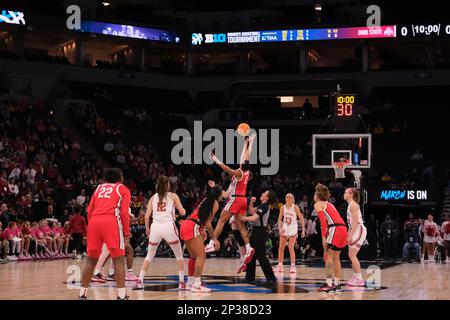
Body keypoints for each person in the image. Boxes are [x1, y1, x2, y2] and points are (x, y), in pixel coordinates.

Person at [78, 168, 131, 300]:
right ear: (119, 177)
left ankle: (82, 294)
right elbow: (124, 213)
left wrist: (92, 227)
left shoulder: (99, 188)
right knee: (118, 259)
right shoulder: (122, 188)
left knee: (91, 260)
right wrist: (126, 232)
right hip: (111, 221)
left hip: (94, 221)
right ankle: (122, 295)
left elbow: (89, 210)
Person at [208, 133, 257, 272]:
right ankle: (247, 251)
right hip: (241, 200)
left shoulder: (240, 173)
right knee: (239, 228)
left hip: (236, 200)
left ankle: (212, 242)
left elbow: (230, 168)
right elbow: (224, 195)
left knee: (221, 221)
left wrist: (216, 159)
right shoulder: (244, 174)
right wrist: (248, 142)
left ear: (242, 165)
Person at [138, 175, 186, 289]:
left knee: (149, 255)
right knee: (179, 256)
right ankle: (181, 282)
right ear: (168, 185)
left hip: (155, 227)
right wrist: (176, 212)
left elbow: (146, 217)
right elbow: (183, 212)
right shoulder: (173, 196)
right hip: (168, 226)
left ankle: (140, 279)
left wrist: (147, 229)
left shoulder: (153, 197)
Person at [179, 183, 222, 293]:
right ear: (219, 195)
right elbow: (207, 222)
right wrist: (214, 238)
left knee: (193, 256)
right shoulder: (215, 203)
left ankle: (190, 282)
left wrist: (201, 230)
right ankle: (197, 284)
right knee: (201, 256)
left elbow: (200, 217)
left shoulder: (206, 200)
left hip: (186, 224)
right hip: (192, 226)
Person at [313, 183, 348, 293]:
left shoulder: (318, 204)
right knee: (336, 257)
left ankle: (328, 284)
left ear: (317, 195)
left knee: (328, 256)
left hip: (335, 229)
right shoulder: (330, 204)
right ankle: (337, 284)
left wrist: (323, 236)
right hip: (343, 228)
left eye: (315, 193)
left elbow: (323, 221)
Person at [240, 190, 278, 284]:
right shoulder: (262, 205)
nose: (262, 194)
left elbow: (253, 218)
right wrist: (252, 203)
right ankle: (249, 276)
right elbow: (252, 212)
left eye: (264, 193)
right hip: (256, 231)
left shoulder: (265, 205)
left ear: (267, 197)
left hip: (261, 232)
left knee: (261, 256)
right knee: (251, 254)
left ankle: (271, 278)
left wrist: (243, 218)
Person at [274, 193, 305, 273]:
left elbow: (301, 219)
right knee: (281, 248)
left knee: (291, 247)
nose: (288, 198)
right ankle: (280, 266)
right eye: (287, 197)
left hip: (293, 227)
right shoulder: (282, 207)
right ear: (285, 199)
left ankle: (293, 266)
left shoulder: (295, 207)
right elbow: (279, 219)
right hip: (285, 227)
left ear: (292, 199)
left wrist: (303, 230)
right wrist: (280, 228)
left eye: (290, 197)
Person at [344, 188, 367, 287]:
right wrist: (348, 235)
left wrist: (351, 235)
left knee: (352, 255)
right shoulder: (350, 205)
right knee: (351, 254)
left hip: (359, 229)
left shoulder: (353, 205)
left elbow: (355, 222)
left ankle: (359, 279)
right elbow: (350, 224)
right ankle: (355, 276)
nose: (344, 194)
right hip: (354, 229)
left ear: (351, 194)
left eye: (345, 192)